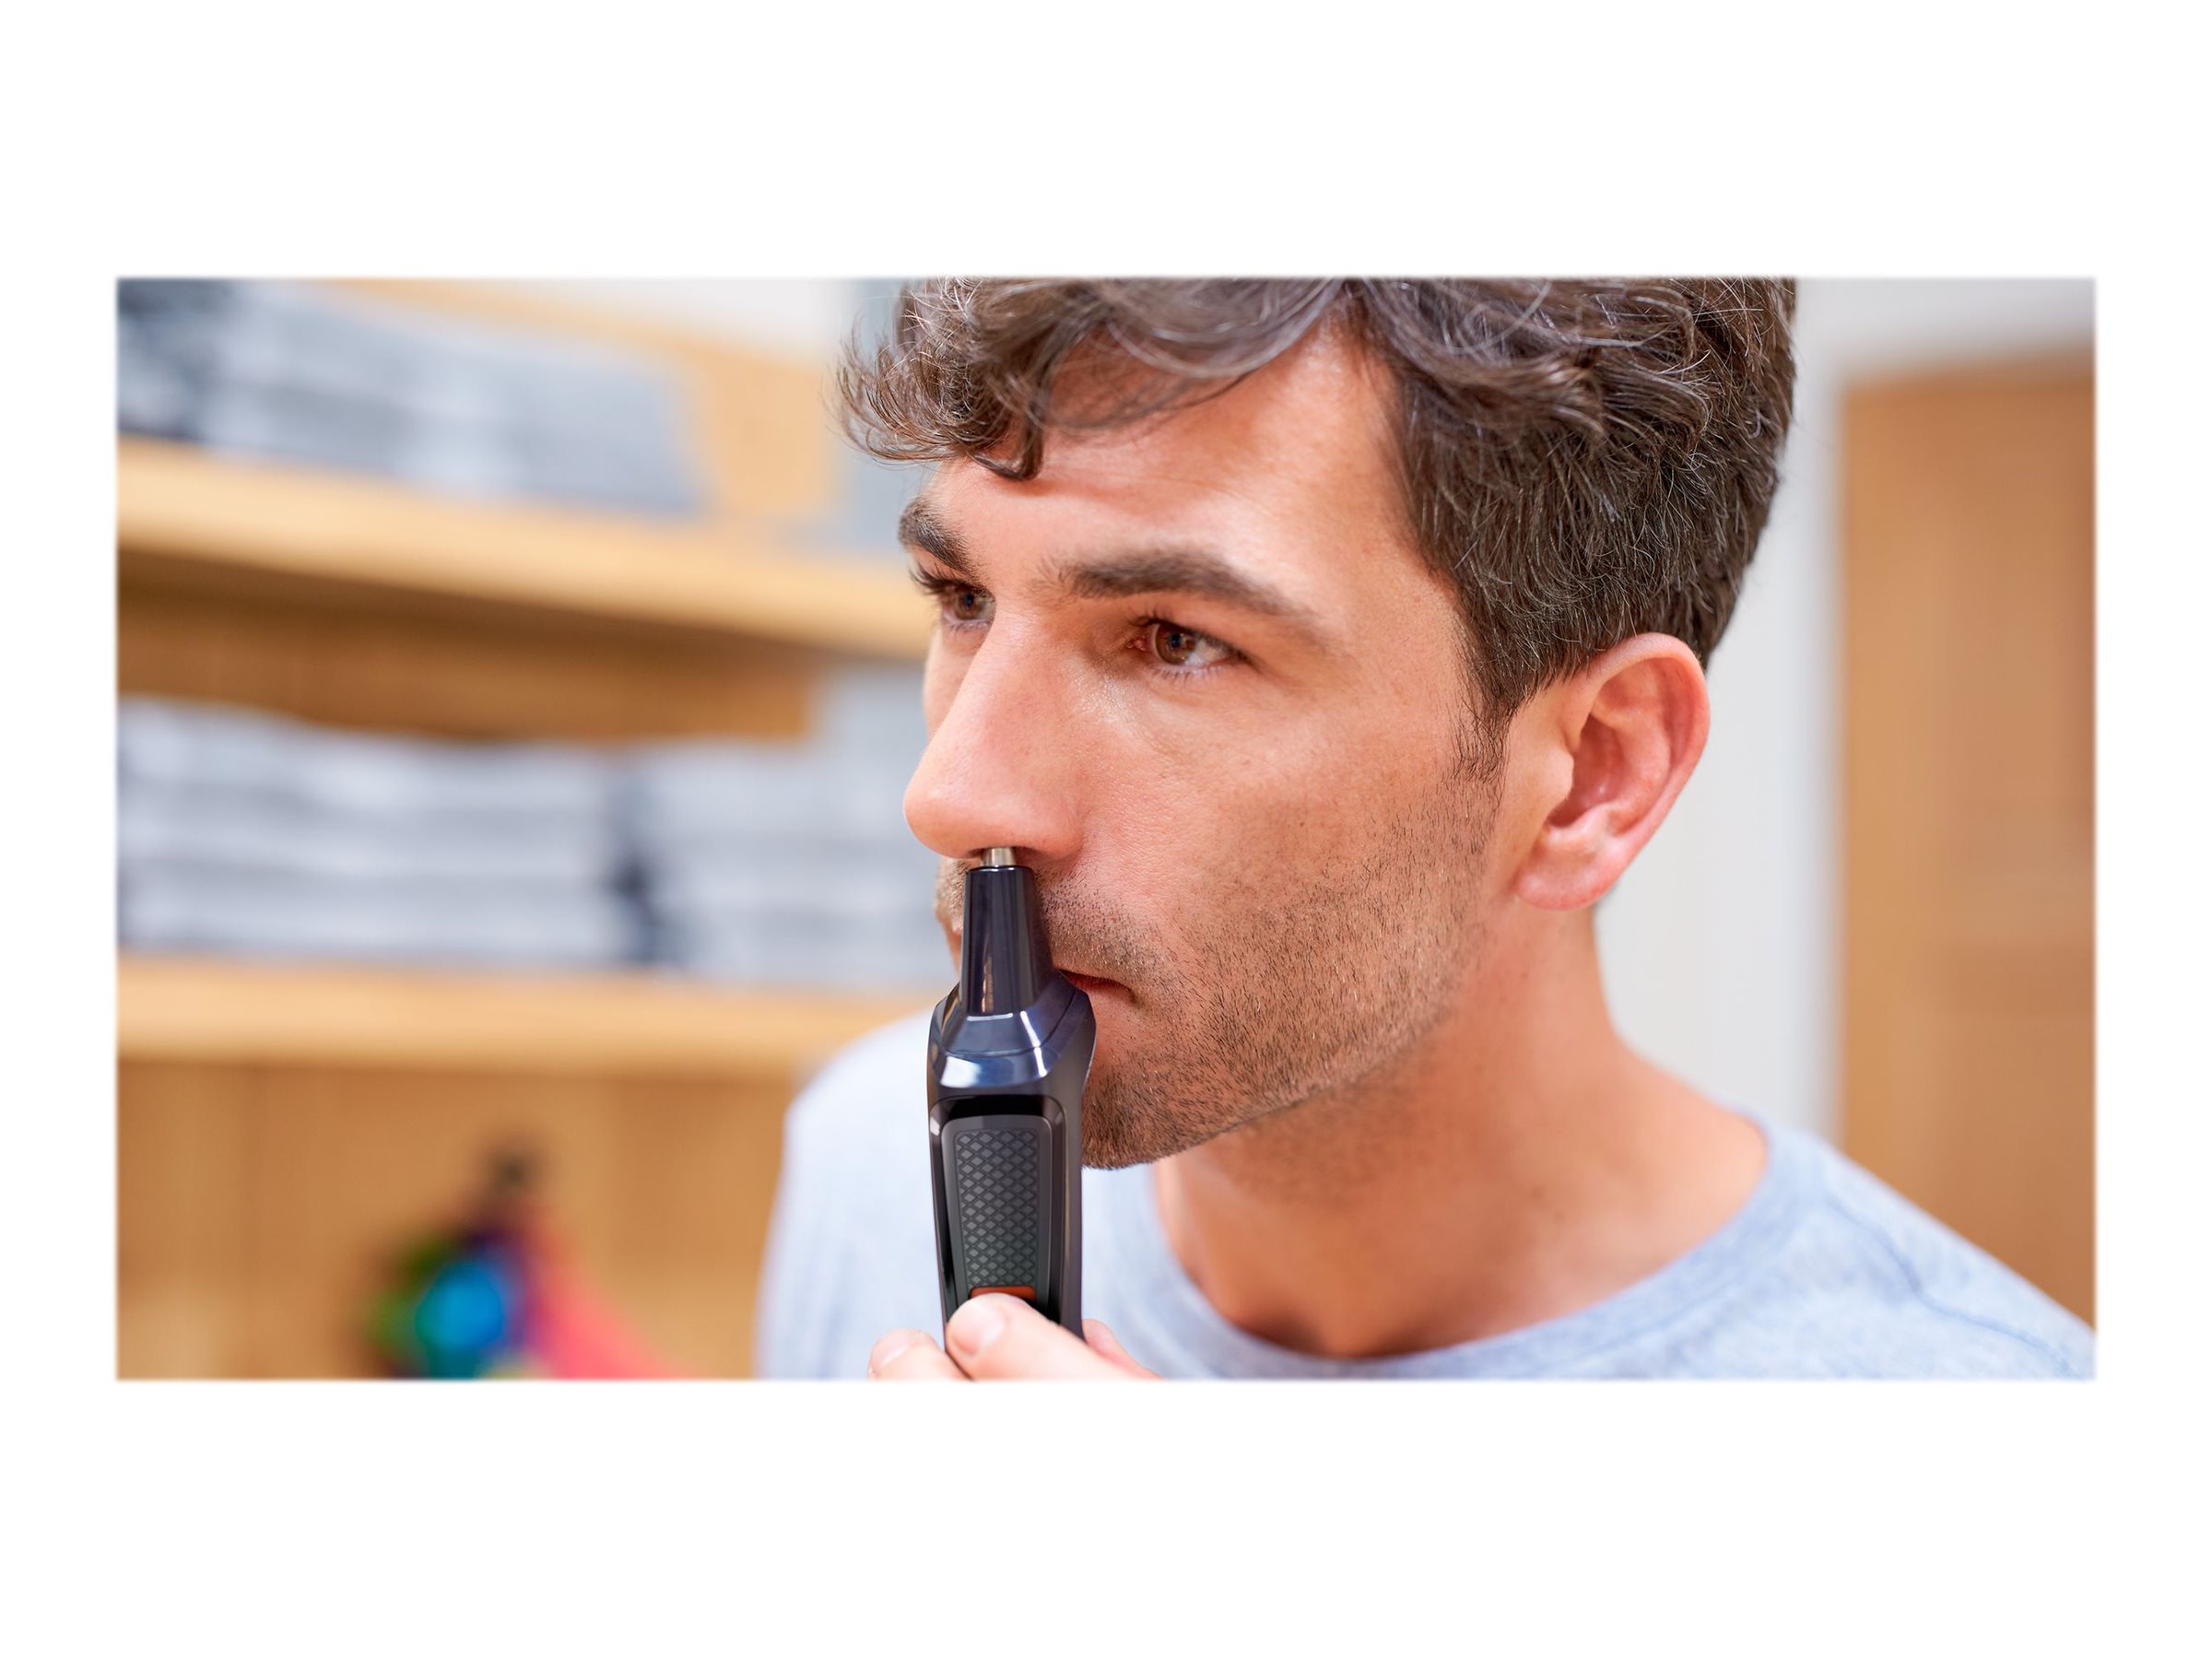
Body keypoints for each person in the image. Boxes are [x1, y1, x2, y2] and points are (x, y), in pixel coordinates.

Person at [754, 278, 2093, 1381]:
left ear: (1596, 775)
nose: (949, 795)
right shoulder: (867, 1168)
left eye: (1175, 641)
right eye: (962, 597)